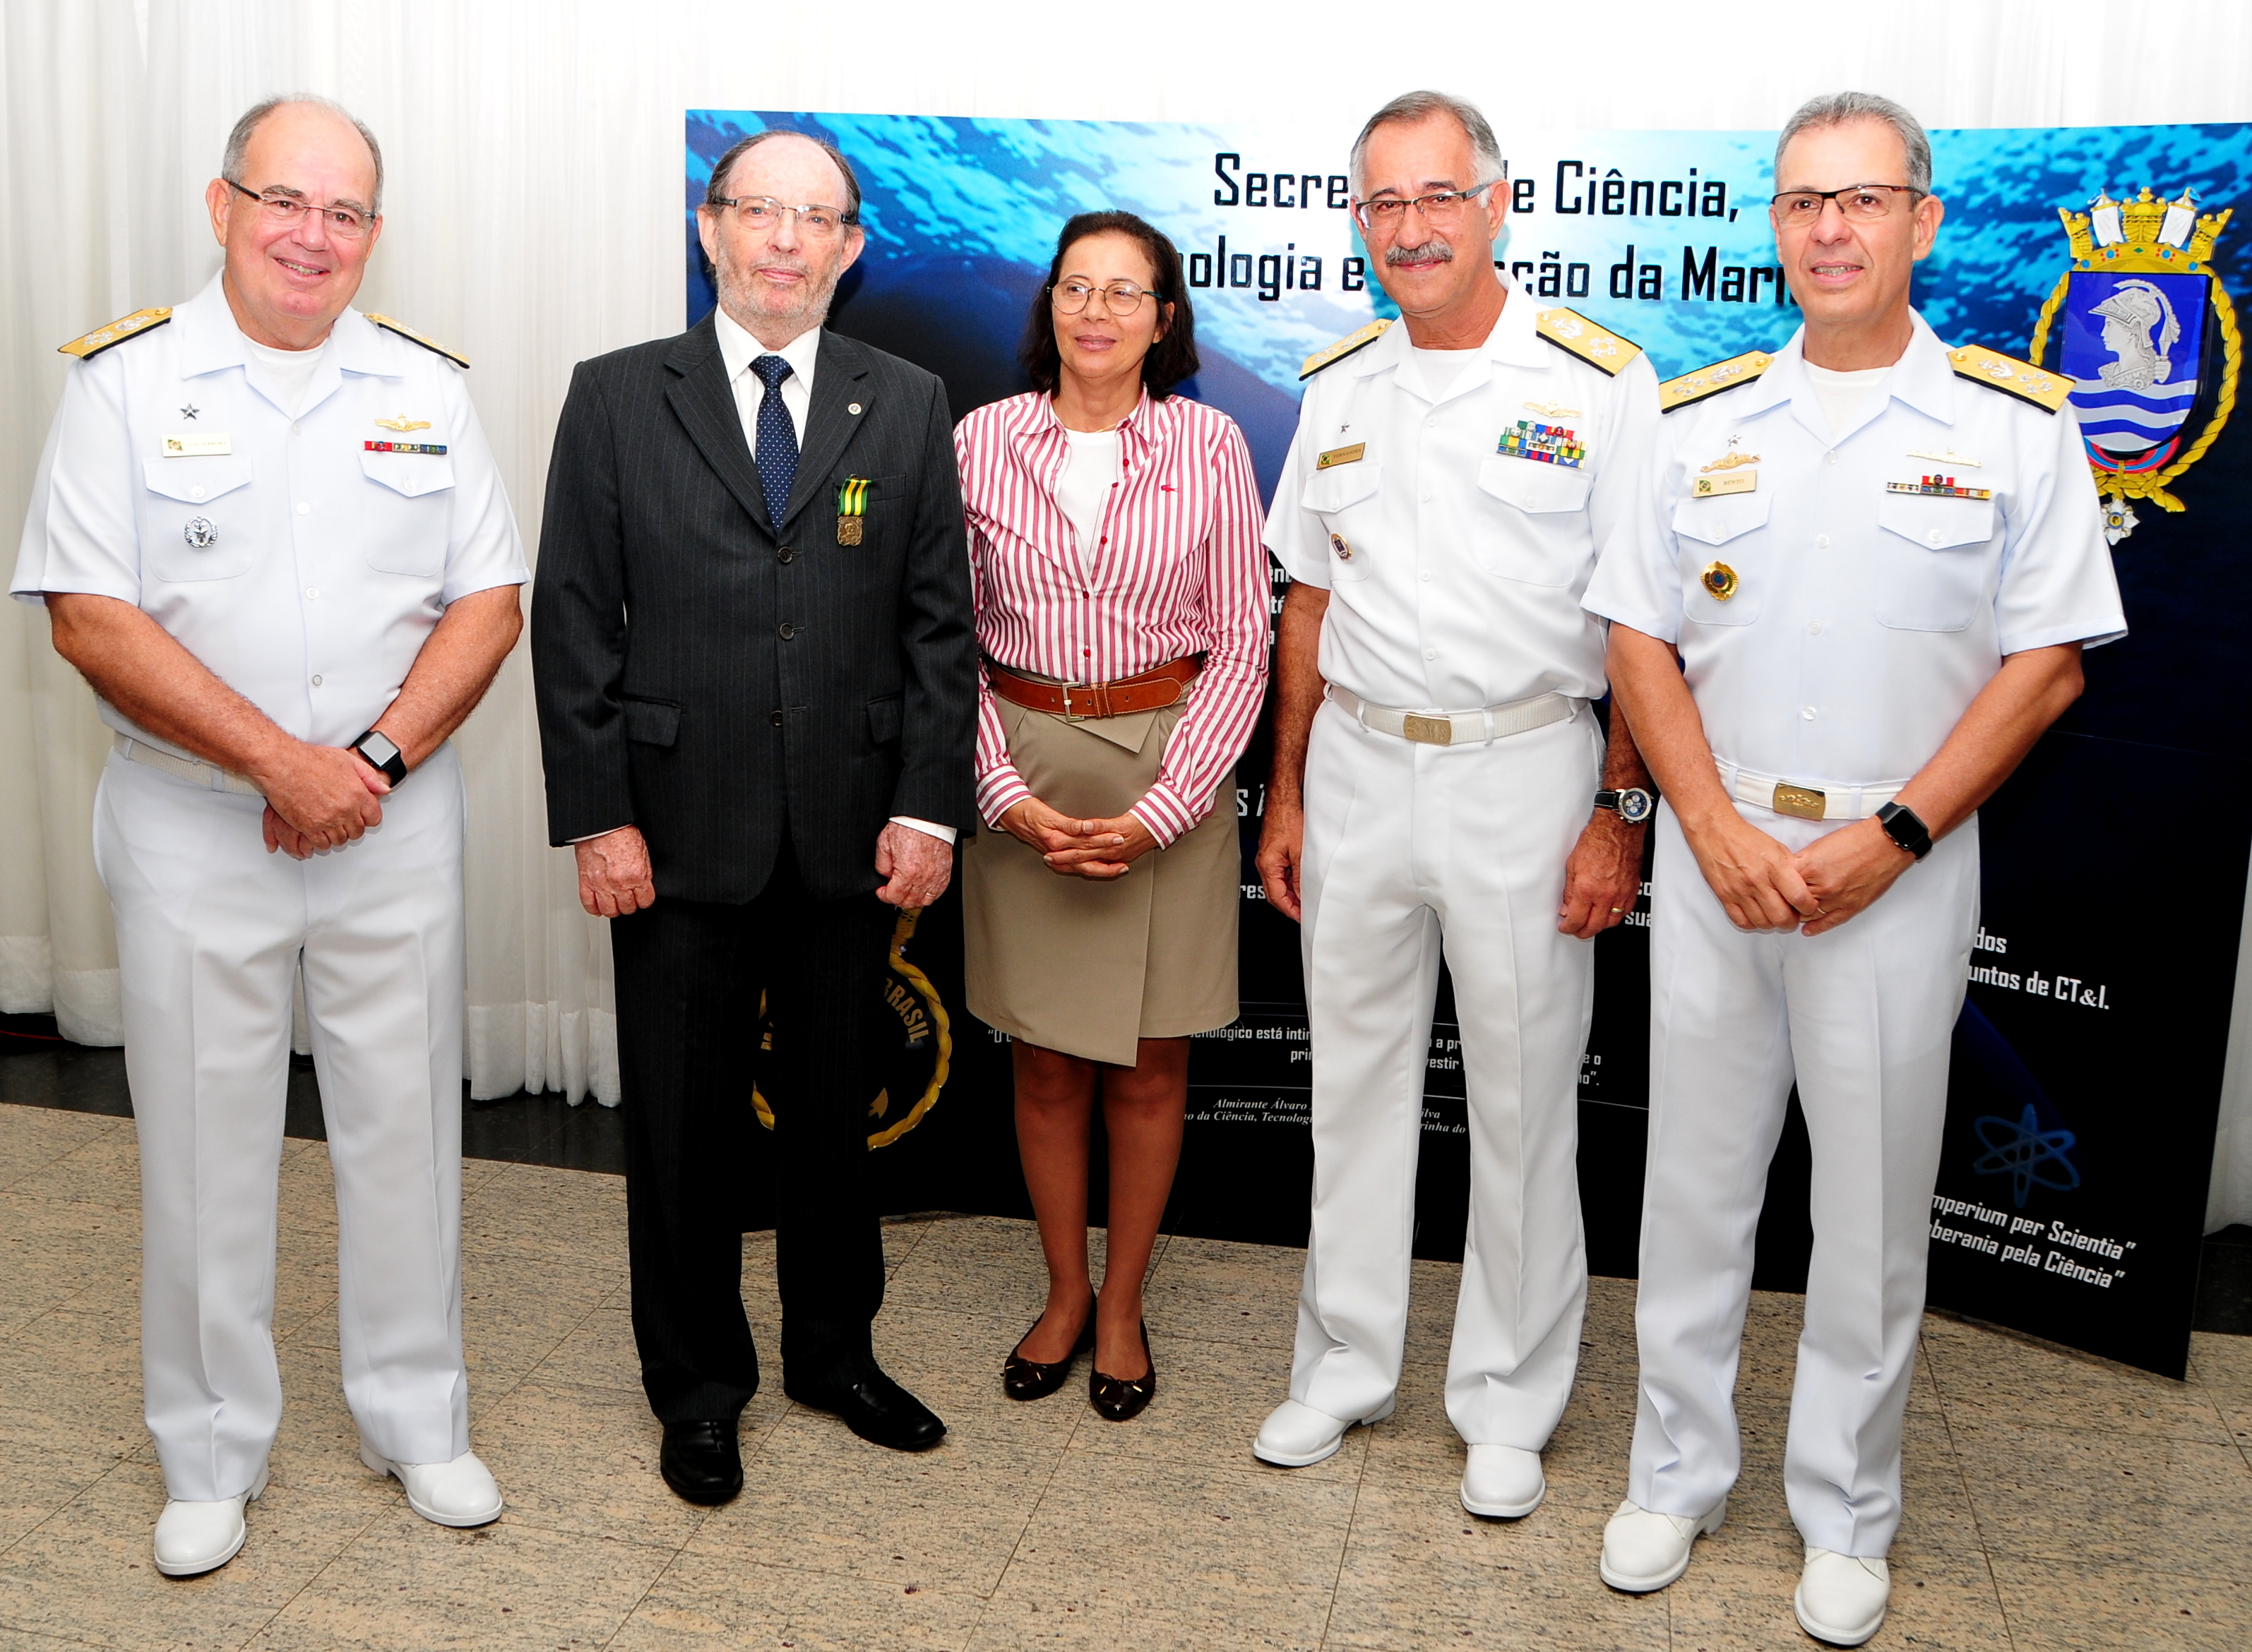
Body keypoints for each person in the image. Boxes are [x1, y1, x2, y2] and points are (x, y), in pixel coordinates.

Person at [1583, 92, 2124, 1646]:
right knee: (1689, 1184)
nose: (1828, 229)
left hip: (1897, 854)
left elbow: (2044, 667)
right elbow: (1633, 634)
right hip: (1717, 848)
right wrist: (1710, 829)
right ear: (1774, 225)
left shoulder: (2009, 427)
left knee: (1873, 1212)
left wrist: (1888, 839)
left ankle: (1844, 1511)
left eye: (1860, 200)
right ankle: (1674, 1475)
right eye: (1801, 202)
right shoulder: (1698, 422)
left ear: (1920, 221)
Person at [11, 95, 525, 1576]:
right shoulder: (124, 383)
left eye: (346, 212)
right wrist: (276, 767)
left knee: (407, 1126)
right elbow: (89, 616)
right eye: (284, 201)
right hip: (192, 825)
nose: (314, 236)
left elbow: (487, 599)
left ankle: (417, 1418)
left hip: (392, 815)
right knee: (200, 1139)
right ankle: (210, 1451)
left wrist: (360, 763)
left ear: (373, 234)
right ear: (223, 206)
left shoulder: (424, 385)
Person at [531, 128, 977, 1504]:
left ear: (850, 248)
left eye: (816, 220)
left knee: (835, 1121)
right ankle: (698, 1389)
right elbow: (570, 627)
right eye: (759, 213)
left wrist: (930, 808)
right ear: (711, 228)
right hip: (670, 834)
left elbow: (935, 631)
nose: (785, 242)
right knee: (682, 1132)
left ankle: (832, 1356)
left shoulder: (903, 402)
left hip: (851, 834)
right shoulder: (615, 399)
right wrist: (597, 817)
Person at [1253, 90, 1659, 1518]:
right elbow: (1306, 597)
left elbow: (1638, 629)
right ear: (1357, 223)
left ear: (1496, 203)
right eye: (1382, 204)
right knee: (1351, 1090)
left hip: (1525, 770)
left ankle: (1504, 1399)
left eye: (1436, 197)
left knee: (1523, 1101)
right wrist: (1285, 787)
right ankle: (1343, 1367)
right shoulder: (1341, 382)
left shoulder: (1594, 381)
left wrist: (1620, 811)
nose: (1409, 229)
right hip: (1359, 767)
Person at [955, 212, 1268, 1421]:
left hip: (1166, 770)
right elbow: (948, 644)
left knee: (1146, 1066)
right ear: (1049, 307)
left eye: (1123, 292)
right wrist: (1003, 796)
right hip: (1020, 763)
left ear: (1163, 317)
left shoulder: (1209, 445)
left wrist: (1167, 809)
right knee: (1042, 1065)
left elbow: (1243, 643)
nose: (1095, 311)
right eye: (1075, 288)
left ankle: (1124, 1302)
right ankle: (1061, 1293)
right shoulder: (979, 441)